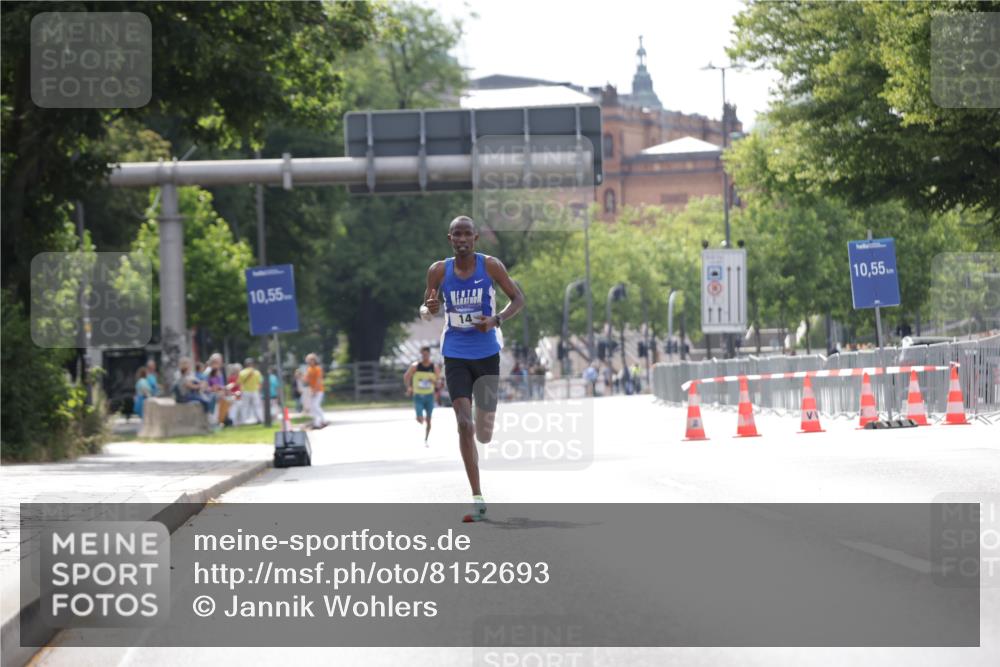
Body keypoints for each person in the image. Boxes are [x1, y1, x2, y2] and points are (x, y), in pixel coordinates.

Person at [423, 215, 525, 523]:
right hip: (454, 352)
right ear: (450, 239)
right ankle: (478, 496)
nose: (463, 239)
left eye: (468, 234)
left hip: (487, 351)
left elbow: (518, 298)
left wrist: (496, 320)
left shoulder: (491, 266)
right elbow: (427, 305)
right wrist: (429, 308)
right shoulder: (438, 270)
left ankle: (484, 428)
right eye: (457, 234)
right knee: (464, 424)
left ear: (475, 238)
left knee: (484, 431)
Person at [403, 346, 441, 447]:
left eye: (426, 355)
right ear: (421, 354)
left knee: (429, 420)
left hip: (429, 396)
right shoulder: (415, 366)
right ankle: (420, 417)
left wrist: (434, 382)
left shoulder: (434, 367)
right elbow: (406, 377)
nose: (425, 356)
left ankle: (426, 439)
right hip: (418, 396)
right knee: (420, 419)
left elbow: (439, 383)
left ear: (429, 354)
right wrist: (409, 387)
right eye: (423, 355)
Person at [237, 358, 264, 425]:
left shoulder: (242, 372)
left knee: (245, 407)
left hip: (245, 391)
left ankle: (244, 420)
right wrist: (259, 391)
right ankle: (260, 419)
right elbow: (260, 383)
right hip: (255, 391)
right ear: (253, 364)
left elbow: (239, 383)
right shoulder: (257, 372)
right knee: (257, 406)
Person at [304, 353, 327, 429]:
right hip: (312, 390)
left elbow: (318, 380)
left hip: (319, 390)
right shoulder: (309, 369)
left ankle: (323, 420)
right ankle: (316, 422)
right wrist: (300, 376)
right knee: (312, 407)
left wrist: (315, 390)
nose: (309, 362)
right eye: (308, 361)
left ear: (314, 360)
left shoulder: (318, 368)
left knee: (315, 405)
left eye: (311, 360)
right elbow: (306, 380)